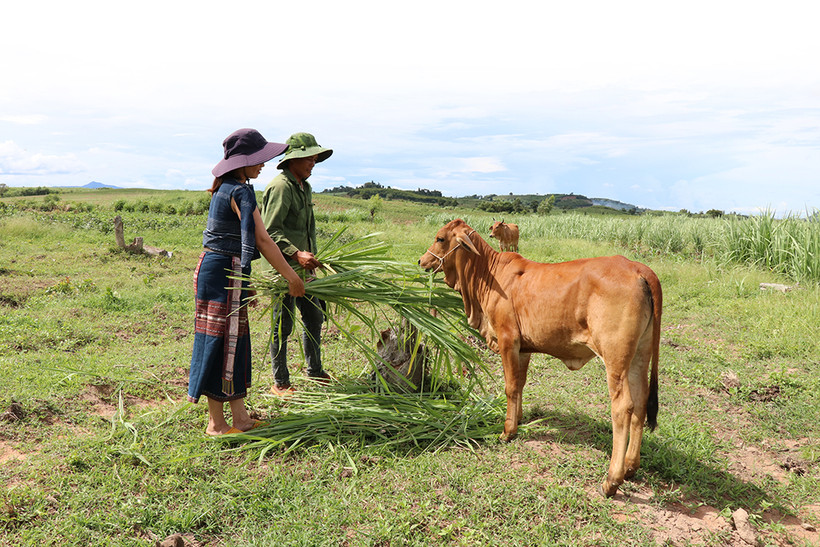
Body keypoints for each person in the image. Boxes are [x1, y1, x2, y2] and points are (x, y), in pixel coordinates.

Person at [189, 128, 305, 435]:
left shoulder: (225, 187)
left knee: (235, 343)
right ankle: (216, 424)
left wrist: (246, 279)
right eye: (257, 159)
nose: (263, 164)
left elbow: (236, 241)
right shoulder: (240, 191)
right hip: (223, 272)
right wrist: (292, 277)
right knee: (221, 343)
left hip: (222, 269)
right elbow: (264, 241)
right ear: (240, 162)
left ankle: (239, 418)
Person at [259, 132, 333, 395]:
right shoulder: (281, 187)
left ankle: (314, 370)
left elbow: (306, 229)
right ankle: (280, 381)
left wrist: (310, 256)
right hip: (282, 269)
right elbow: (269, 232)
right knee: (283, 325)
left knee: (314, 317)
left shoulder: (304, 187)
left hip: (305, 269)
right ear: (294, 159)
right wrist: (295, 253)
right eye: (309, 159)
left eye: (315, 159)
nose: (313, 163)